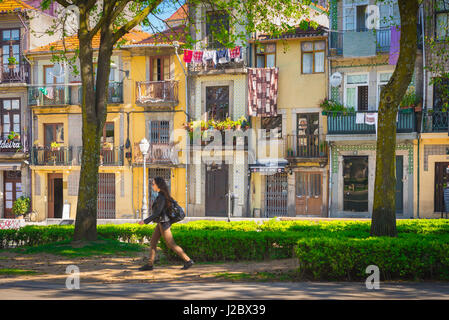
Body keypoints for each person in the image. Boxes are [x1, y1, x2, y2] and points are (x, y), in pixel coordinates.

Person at [138, 177, 194, 271]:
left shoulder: (162, 197)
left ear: (158, 185)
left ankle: (188, 261)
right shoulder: (161, 195)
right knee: (153, 243)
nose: (152, 186)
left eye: (153, 184)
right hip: (161, 222)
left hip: (164, 223)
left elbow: (157, 213)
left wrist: (145, 221)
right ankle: (150, 264)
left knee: (171, 244)